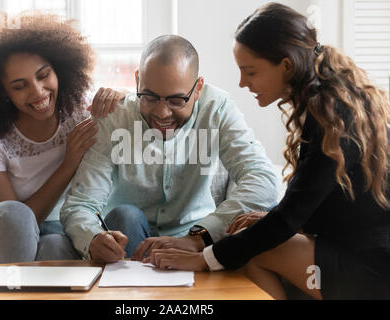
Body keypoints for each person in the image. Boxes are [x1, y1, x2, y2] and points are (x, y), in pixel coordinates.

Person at [146, 3, 390, 300]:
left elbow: (289, 220)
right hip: (354, 251)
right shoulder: (329, 103)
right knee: (247, 237)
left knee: (253, 253)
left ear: (286, 65)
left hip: (372, 269)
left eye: (250, 71)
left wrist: (205, 257)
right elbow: (311, 207)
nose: (241, 82)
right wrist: (271, 218)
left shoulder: (332, 118)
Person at [60, 34, 279, 264]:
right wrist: (92, 237)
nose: (162, 113)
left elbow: (262, 179)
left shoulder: (217, 108)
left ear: (198, 88)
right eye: (150, 97)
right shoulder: (115, 117)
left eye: (176, 100)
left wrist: (201, 234)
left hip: (194, 238)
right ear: (136, 82)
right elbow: (81, 204)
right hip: (127, 235)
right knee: (126, 215)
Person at [0, 13, 125, 266]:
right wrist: (68, 165)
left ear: (59, 70)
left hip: (53, 232)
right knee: (15, 216)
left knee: (56, 245)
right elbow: (15, 223)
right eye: (20, 86)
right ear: (3, 92)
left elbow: (137, 108)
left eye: (43, 75)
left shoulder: (79, 113)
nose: (38, 92)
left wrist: (120, 94)